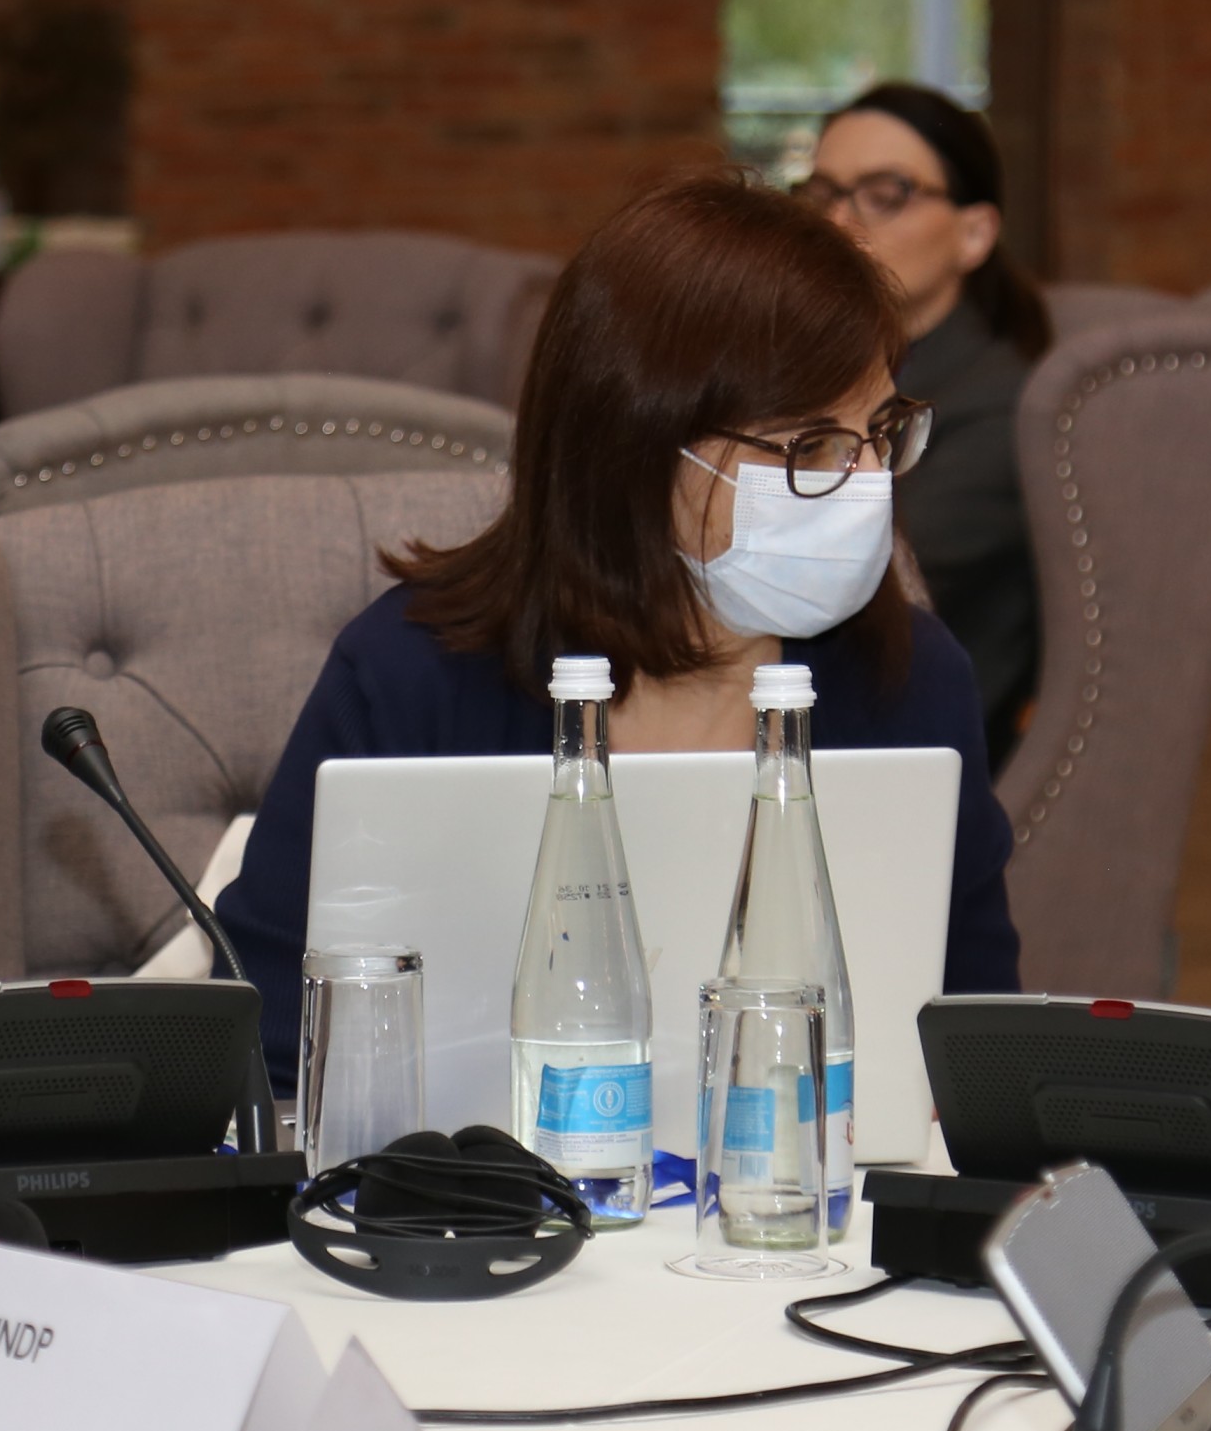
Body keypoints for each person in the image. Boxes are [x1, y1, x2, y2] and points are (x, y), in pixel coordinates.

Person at [215, 171, 1025, 1069]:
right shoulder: (409, 676)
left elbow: (978, 1045)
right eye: (815, 447)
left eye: (881, 431)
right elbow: (263, 1048)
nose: (868, 482)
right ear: (640, 448)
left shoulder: (911, 680)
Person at [801, 85, 1053, 774]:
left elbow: (852, 579)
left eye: (886, 194)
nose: (839, 220)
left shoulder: (1003, 406)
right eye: (822, 192)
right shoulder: (826, 376)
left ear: (975, 234)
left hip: (910, 749)